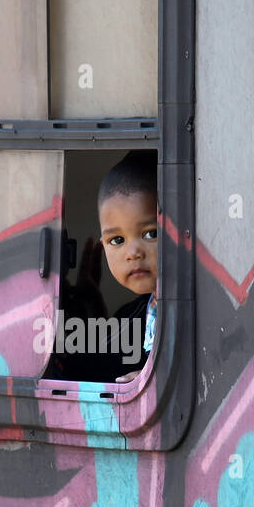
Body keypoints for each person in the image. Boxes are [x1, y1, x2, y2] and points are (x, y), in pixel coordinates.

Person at [44, 153, 158, 384]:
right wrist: (86, 315)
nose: (133, 252)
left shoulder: (201, 311)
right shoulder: (132, 316)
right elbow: (83, 371)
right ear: (102, 245)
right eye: (117, 240)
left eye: (151, 233)